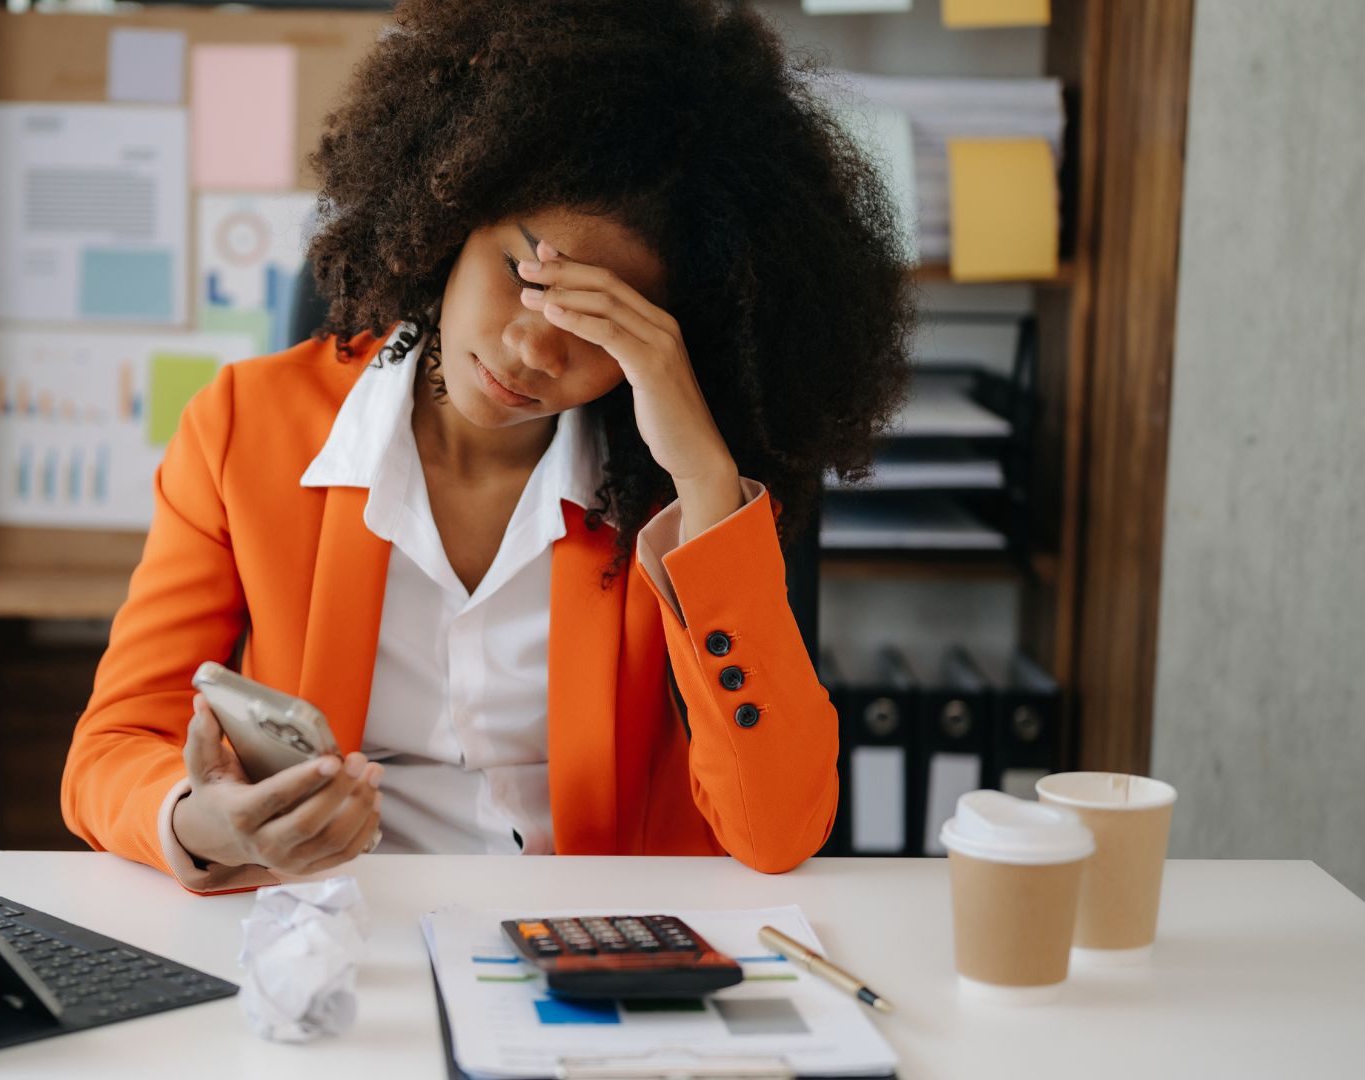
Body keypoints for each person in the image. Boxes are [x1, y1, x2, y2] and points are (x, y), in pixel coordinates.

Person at [61, 0, 912, 893]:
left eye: (604, 324)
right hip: (344, 936)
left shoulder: (682, 488)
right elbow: (111, 751)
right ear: (447, 215)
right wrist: (207, 825)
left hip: (593, 948)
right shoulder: (246, 427)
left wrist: (701, 479)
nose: (535, 351)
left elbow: (779, 831)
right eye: (524, 276)